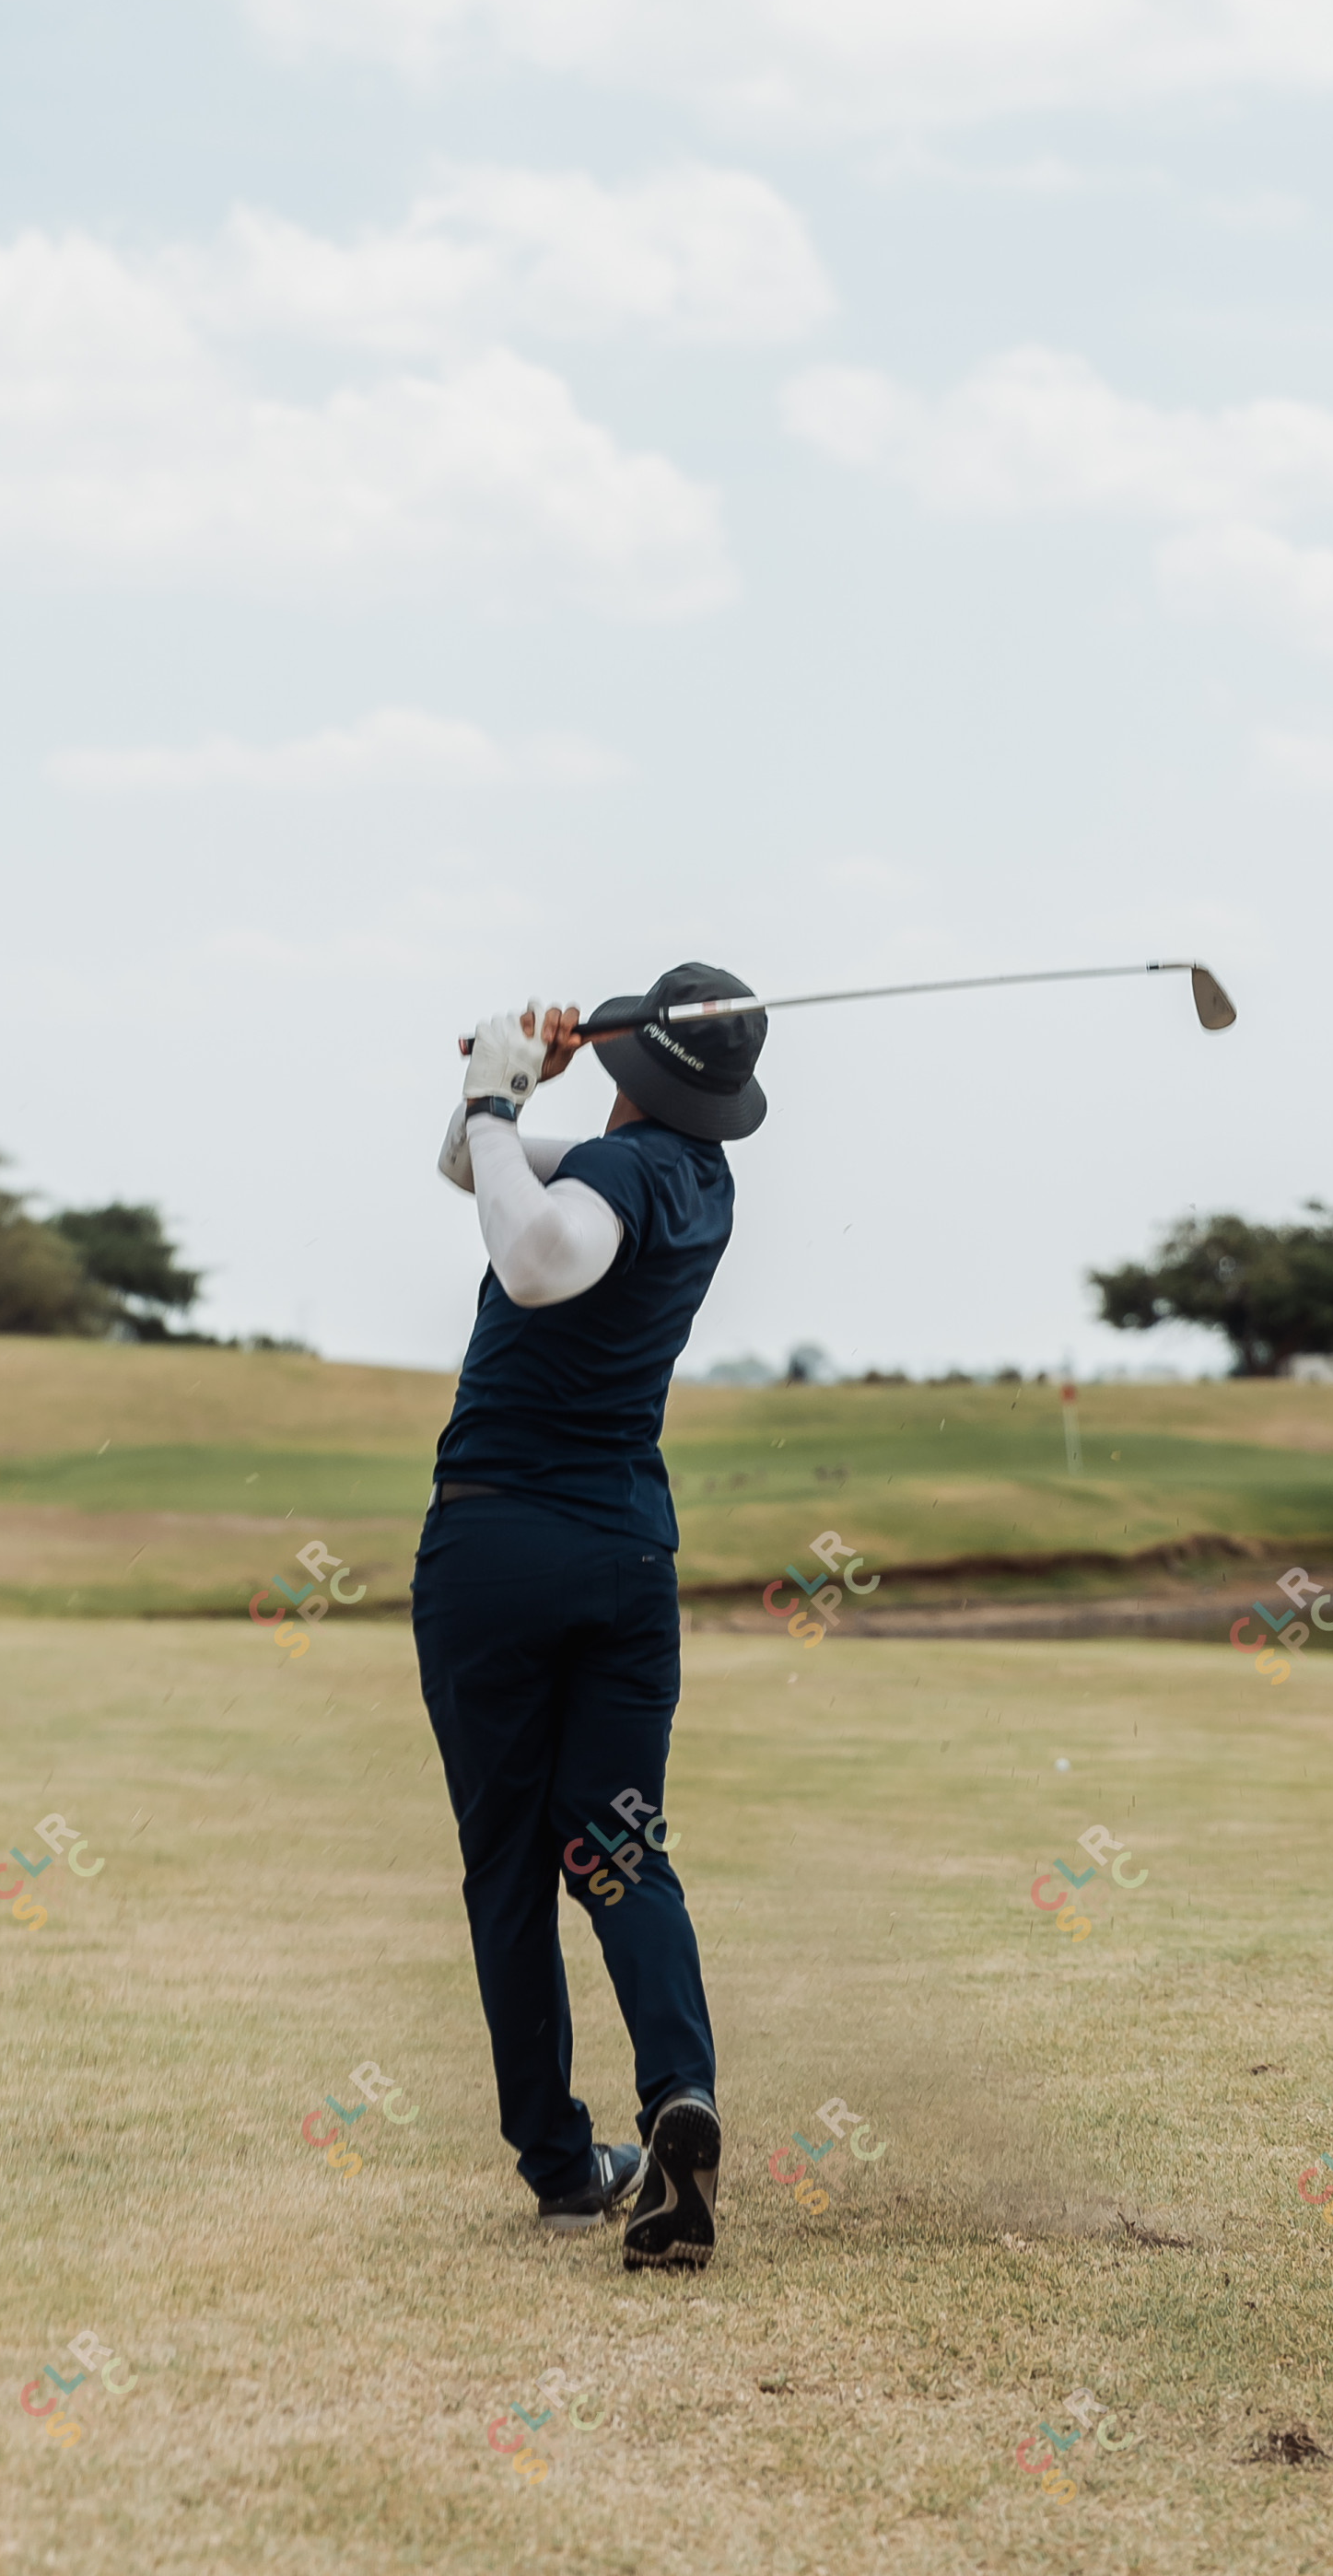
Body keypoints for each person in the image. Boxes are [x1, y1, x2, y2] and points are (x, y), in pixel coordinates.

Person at [412, 963, 766, 2270]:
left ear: (637, 1066)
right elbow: (476, 1170)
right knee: (616, 1847)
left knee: (510, 1865)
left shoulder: (610, 1184)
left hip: (499, 1545)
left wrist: (503, 1101)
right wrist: (500, 1096)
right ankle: (679, 2091)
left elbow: (538, 1252)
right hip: (626, 1556)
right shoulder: (696, 1183)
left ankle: (566, 2170)